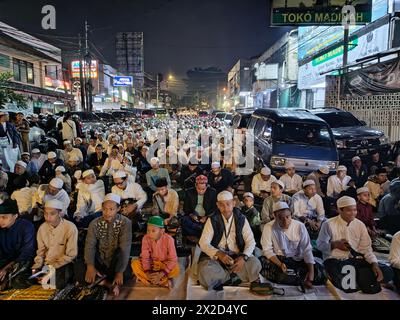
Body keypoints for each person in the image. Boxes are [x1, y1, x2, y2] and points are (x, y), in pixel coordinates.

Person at [317, 196, 393, 293]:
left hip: (356, 259)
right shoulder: (328, 224)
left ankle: (362, 279)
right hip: (336, 260)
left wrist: (374, 263)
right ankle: (364, 280)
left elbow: (366, 249)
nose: (353, 213)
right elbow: (320, 246)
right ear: (340, 210)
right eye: (349, 210)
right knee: (347, 275)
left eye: (355, 210)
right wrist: (334, 245)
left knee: (387, 270)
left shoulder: (360, 225)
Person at [198, 191, 262, 291]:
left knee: (255, 263)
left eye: (228, 204)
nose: (226, 208)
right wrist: (219, 254)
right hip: (218, 259)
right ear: (217, 205)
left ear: (233, 203)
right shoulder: (212, 219)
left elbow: (251, 241)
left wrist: (243, 258)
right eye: (222, 205)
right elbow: (203, 243)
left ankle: (224, 278)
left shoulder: (241, 219)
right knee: (205, 269)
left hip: (237, 257)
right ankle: (232, 277)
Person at [260, 202, 326, 289]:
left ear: (291, 215)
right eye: (280, 218)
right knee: (261, 263)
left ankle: (293, 278)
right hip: (278, 260)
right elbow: (267, 250)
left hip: (297, 260)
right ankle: (297, 278)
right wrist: (280, 264)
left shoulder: (299, 226)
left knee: (320, 272)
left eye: (288, 217)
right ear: (275, 217)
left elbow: (307, 250)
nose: (285, 221)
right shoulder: (268, 227)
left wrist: (311, 274)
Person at [83, 193, 132, 297]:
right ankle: (108, 284)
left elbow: (125, 247)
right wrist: (90, 266)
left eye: (111, 209)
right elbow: (90, 245)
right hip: (100, 263)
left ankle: (102, 281)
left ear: (118, 209)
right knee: (79, 267)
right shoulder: (94, 223)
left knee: (127, 271)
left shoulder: (125, 222)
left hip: (116, 263)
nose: (107, 213)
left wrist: (119, 271)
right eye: (105, 209)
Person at [32, 199, 78, 289]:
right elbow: (41, 252)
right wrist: (37, 267)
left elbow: (71, 255)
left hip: (64, 264)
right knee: (29, 279)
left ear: (60, 213)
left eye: (52, 214)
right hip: (47, 264)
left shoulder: (70, 228)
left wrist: (51, 269)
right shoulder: (42, 228)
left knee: (57, 283)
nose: (48, 217)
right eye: (46, 213)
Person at [131, 216, 180, 289]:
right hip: (152, 264)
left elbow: (173, 260)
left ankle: (153, 280)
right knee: (135, 264)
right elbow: (145, 257)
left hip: (163, 264)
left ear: (162, 231)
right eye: (148, 230)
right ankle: (161, 281)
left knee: (176, 269)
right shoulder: (145, 238)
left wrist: (161, 273)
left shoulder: (169, 240)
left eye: (153, 231)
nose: (150, 233)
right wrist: (148, 272)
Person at [0, 199, 35, 290]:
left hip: (21, 261)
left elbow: (27, 252)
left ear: (15, 216)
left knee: (16, 281)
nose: (1, 220)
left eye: (4, 217)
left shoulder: (27, 227)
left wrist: (7, 268)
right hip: (5, 261)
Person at [181, 175, 217, 241]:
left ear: (207, 186)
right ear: (195, 186)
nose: (200, 191)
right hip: (194, 217)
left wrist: (207, 217)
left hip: (207, 217)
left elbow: (215, 209)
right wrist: (191, 215)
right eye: (198, 189)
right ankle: (201, 231)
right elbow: (185, 208)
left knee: (215, 222)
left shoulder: (212, 192)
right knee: (184, 220)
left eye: (203, 189)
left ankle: (197, 232)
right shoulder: (189, 192)